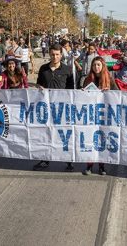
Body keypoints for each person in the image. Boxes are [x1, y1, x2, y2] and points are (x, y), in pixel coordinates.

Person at [33, 44, 74, 172]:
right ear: (49, 55)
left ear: (61, 55)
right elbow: (39, 84)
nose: (55, 57)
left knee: (64, 134)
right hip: (46, 108)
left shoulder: (67, 69)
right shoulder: (43, 68)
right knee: (46, 133)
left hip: (62, 108)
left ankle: (68, 160)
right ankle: (45, 159)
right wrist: (39, 88)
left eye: (57, 54)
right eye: (52, 54)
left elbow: (71, 89)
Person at [82, 57, 118, 175]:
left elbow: (118, 95)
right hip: (91, 115)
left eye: (98, 65)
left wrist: (110, 92)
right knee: (90, 139)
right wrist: (82, 92)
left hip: (104, 115)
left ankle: (102, 166)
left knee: (102, 140)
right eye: (94, 65)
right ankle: (89, 165)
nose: (96, 67)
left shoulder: (110, 79)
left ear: (102, 66)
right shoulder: (87, 80)